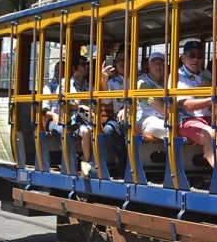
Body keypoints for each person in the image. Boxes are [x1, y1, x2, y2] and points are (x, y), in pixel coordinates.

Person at [177, 41, 217, 167]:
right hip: (187, 120)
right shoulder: (178, 76)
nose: (195, 59)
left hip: (210, 118)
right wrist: (212, 99)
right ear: (183, 58)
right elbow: (187, 105)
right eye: (191, 55)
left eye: (199, 56)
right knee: (210, 134)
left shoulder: (206, 74)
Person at [61, 55, 94, 177]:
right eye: (83, 64)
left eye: (87, 64)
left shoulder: (87, 84)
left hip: (86, 117)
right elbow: (64, 104)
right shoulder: (66, 83)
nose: (86, 67)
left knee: (98, 129)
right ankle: (87, 162)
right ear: (74, 68)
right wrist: (80, 107)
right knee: (86, 131)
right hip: (72, 119)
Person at [100, 47, 130, 178]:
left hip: (138, 116)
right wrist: (104, 80)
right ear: (115, 63)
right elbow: (106, 101)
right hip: (119, 118)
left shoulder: (140, 79)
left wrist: (127, 110)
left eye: (126, 60)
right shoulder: (113, 82)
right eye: (119, 61)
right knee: (108, 130)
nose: (122, 64)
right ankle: (122, 169)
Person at [136, 52, 168, 140]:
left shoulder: (168, 80)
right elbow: (163, 109)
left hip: (164, 119)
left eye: (161, 63)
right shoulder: (143, 83)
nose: (158, 66)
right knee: (171, 130)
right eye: (154, 63)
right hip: (147, 120)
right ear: (149, 66)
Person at [42, 61, 64, 142]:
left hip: (69, 119)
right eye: (56, 70)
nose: (57, 73)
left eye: (61, 70)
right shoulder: (49, 87)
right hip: (53, 121)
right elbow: (44, 110)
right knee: (62, 129)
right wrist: (54, 115)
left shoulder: (71, 86)